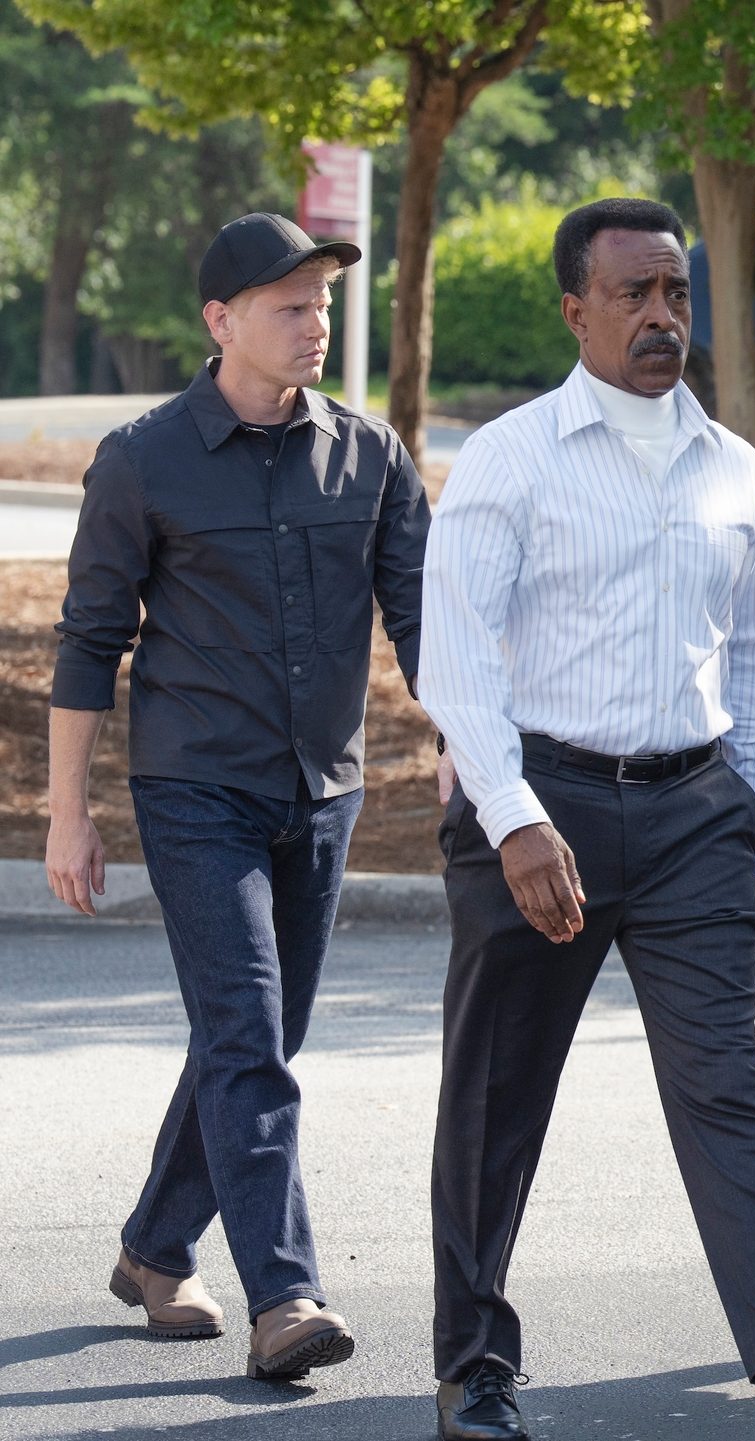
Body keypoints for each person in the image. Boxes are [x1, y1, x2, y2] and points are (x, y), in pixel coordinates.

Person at [418, 197, 755, 1441]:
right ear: (575, 310)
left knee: (725, 1082)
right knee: (497, 1096)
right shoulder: (511, 457)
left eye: (676, 293)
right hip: (541, 804)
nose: (661, 316)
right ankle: (474, 1370)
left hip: (694, 814)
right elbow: (455, 660)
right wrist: (514, 818)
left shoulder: (733, 466)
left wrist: (747, 822)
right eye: (632, 292)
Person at [44, 212, 431, 1380]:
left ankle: (155, 1248)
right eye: (290, 305)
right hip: (195, 788)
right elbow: (88, 641)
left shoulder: (370, 454)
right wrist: (69, 811)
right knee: (251, 1035)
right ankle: (285, 1294)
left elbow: (427, 621)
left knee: (251, 1036)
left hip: (323, 791)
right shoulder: (143, 458)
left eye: (324, 304)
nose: (317, 324)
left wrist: (474, 748)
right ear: (221, 321)